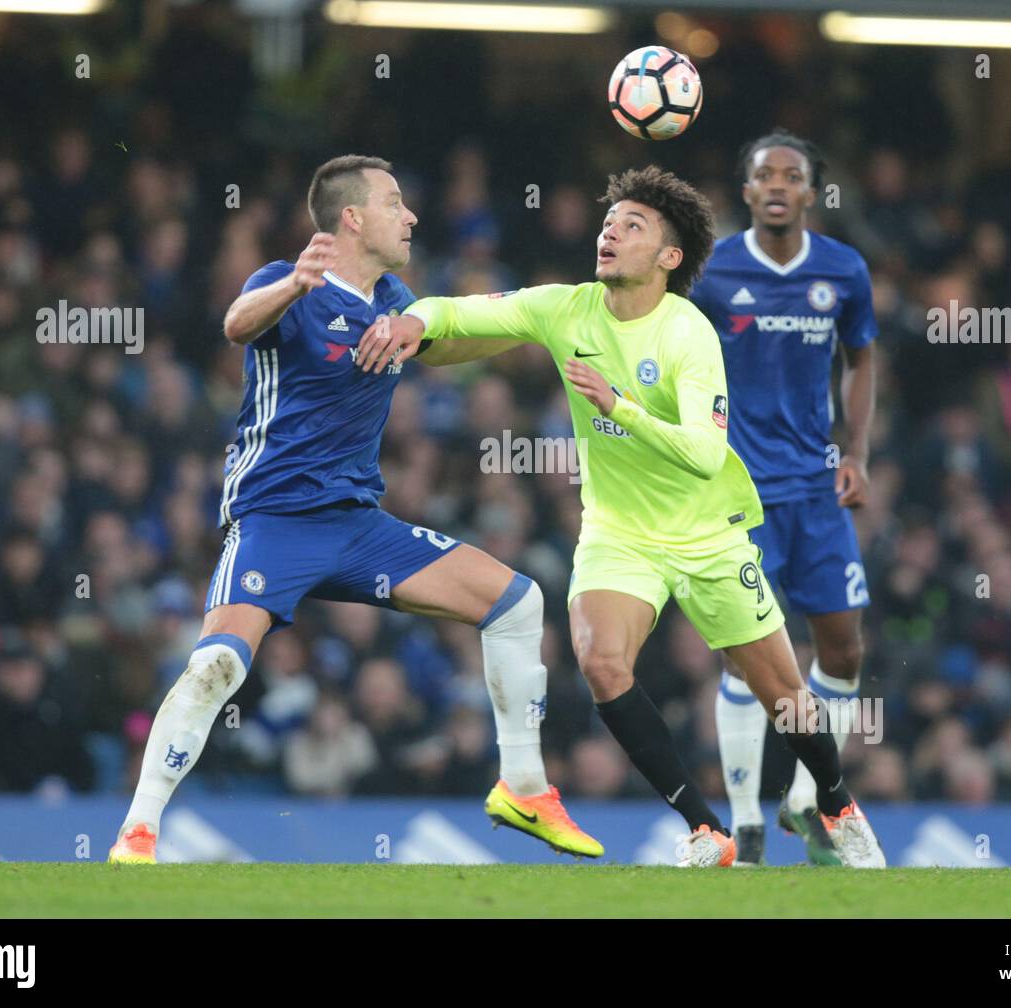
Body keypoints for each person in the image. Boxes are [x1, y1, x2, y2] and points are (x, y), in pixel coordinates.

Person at [361, 165, 884, 868]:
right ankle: (707, 831)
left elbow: (704, 453)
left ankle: (835, 799)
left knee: (786, 699)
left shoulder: (687, 336)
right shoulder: (566, 308)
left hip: (707, 535)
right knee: (603, 662)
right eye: (610, 221)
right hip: (619, 534)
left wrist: (619, 408)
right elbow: (462, 313)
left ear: (669, 257)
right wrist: (412, 319)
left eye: (632, 226)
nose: (610, 231)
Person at [108, 155, 601, 863]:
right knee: (217, 663)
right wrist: (290, 286)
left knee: (519, 603)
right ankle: (138, 830)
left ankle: (523, 788)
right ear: (352, 217)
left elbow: (443, 346)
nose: (411, 216)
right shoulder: (287, 284)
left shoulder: (395, 296)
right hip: (276, 518)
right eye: (395, 203)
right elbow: (235, 326)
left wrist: (535, 328)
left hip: (359, 525)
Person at [690, 130, 877, 865]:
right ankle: (746, 819)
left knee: (844, 650)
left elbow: (862, 357)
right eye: (763, 173)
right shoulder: (711, 270)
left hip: (816, 493)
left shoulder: (842, 270)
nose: (776, 184)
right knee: (749, 660)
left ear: (810, 192)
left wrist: (856, 450)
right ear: (744, 191)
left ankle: (806, 800)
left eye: (791, 175)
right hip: (736, 497)